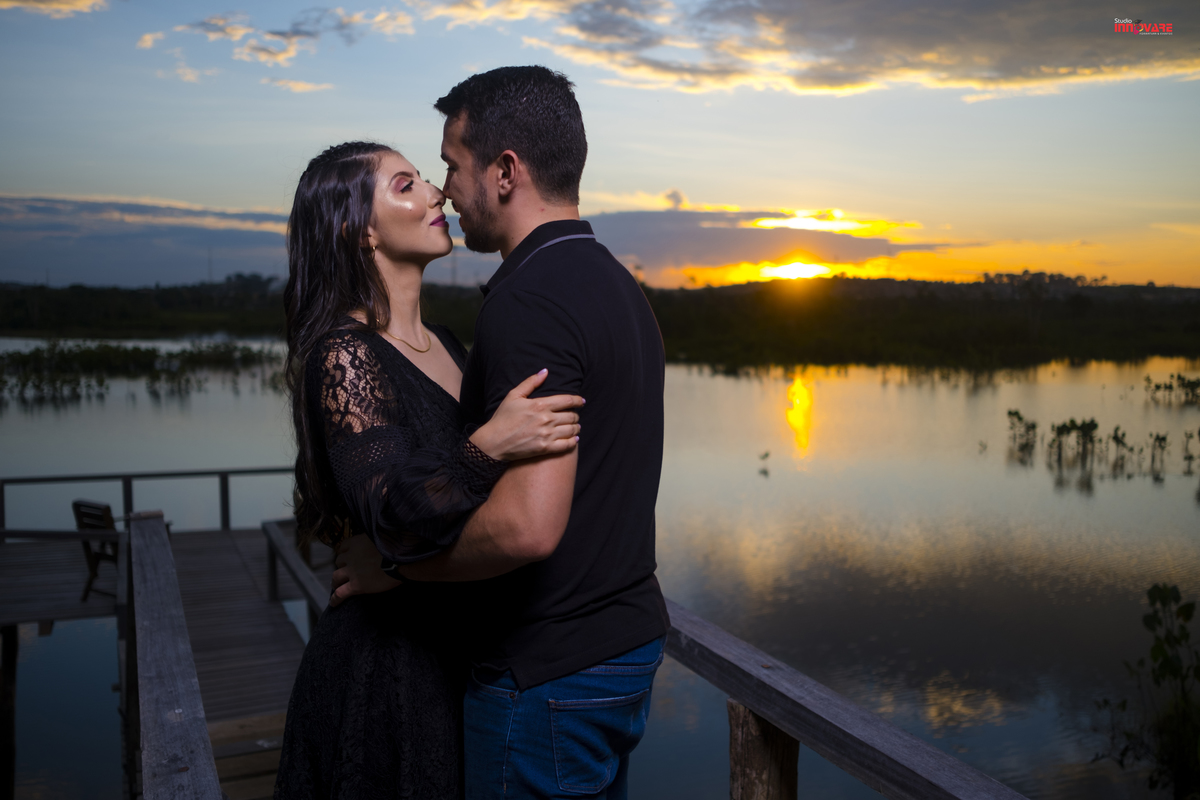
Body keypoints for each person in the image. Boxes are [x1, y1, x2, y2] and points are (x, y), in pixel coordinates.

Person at [333, 66, 670, 800]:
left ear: (506, 171)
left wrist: (399, 569)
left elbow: (525, 528)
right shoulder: (616, 284)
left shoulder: (529, 301)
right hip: (624, 645)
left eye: (454, 166)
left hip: (548, 669)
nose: (447, 190)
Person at [274, 140, 585, 799]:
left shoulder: (445, 342)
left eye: (425, 179)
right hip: (388, 672)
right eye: (406, 185)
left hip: (459, 652)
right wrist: (488, 446)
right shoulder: (343, 354)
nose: (437, 193)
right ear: (358, 230)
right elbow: (392, 513)